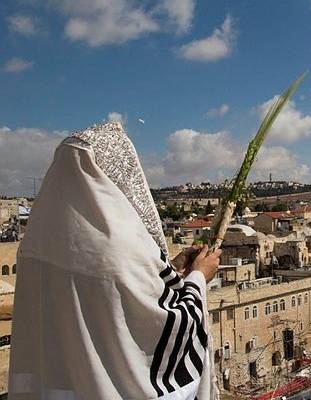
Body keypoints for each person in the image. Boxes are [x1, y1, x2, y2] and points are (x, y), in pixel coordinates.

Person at [9, 122, 221, 399]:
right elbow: (163, 324)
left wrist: (172, 269)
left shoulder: (34, 244)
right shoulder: (121, 243)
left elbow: (112, 294)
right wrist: (198, 277)